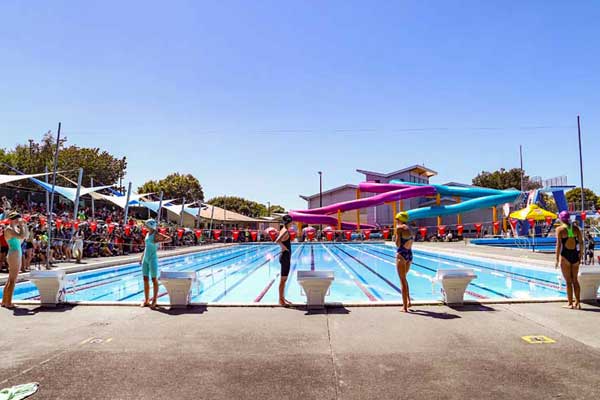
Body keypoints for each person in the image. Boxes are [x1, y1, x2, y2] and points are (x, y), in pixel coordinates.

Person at [555, 211, 583, 309]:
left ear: (561, 219)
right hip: (575, 256)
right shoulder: (576, 229)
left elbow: (558, 245)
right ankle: (578, 303)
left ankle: (570, 303)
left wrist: (556, 259)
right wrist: (581, 256)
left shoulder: (559, 229)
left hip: (565, 257)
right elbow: (581, 243)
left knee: (568, 281)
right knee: (575, 280)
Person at [140, 219, 171, 308]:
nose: (145, 226)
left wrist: (159, 241)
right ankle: (146, 300)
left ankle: (154, 300)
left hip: (152, 259)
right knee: (145, 279)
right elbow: (146, 247)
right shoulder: (147, 234)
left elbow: (169, 239)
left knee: (154, 280)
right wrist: (141, 258)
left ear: (150, 225)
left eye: (146, 225)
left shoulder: (156, 234)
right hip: (145, 259)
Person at [2, 212, 29, 309]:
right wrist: (22, 226)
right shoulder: (9, 229)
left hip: (16, 253)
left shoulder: (15, 229)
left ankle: (5, 301)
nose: (19, 221)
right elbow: (21, 236)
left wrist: (25, 226)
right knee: (13, 280)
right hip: (14, 254)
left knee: (10, 279)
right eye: (18, 219)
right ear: (14, 219)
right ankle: (8, 302)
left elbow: (25, 236)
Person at [395, 212, 413, 312]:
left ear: (400, 219)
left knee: (402, 280)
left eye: (397, 219)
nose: (396, 221)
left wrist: (396, 234)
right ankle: (409, 301)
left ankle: (405, 307)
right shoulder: (410, 228)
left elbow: (397, 244)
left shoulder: (399, 228)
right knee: (404, 279)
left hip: (401, 254)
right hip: (409, 254)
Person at [274, 215, 293, 306]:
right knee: (283, 280)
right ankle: (281, 300)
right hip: (285, 257)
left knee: (284, 280)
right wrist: (284, 248)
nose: (292, 224)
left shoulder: (283, 229)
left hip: (285, 257)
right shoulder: (285, 231)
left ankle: (282, 298)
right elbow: (277, 240)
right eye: (291, 222)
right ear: (288, 223)